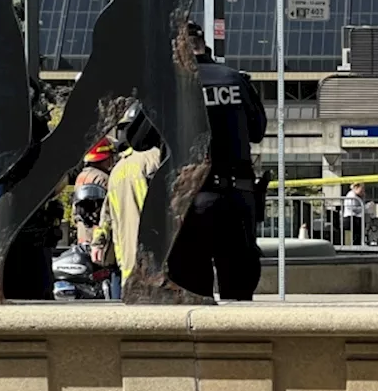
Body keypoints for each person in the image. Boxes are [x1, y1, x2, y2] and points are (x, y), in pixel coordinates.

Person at [166, 22, 267, 301]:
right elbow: (258, 131)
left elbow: (139, 138)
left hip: (192, 202)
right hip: (239, 197)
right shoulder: (235, 79)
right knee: (239, 289)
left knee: (193, 289)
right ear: (203, 44)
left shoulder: (174, 83)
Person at [92, 104, 163, 296]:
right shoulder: (158, 160)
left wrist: (97, 244)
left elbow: (106, 217)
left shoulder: (118, 168)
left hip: (127, 266)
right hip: (157, 263)